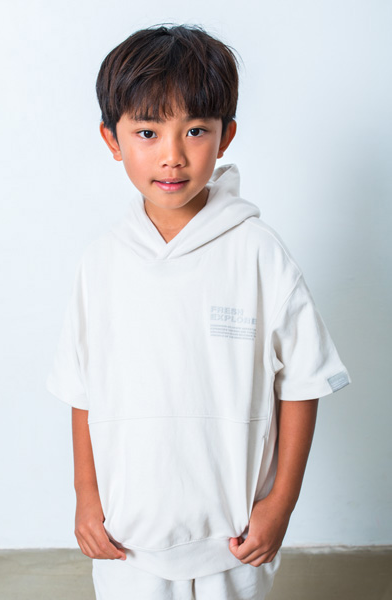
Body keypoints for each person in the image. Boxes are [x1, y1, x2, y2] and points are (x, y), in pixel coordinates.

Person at [46, 24, 351, 600]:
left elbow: (303, 384)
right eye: (147, 132)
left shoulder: (259, 254)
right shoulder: (101, 262)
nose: (173, 155)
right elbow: (82, 390)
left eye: (195, 130)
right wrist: (87, 496)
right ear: (112, 139)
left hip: (233, 539)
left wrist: (280, 504)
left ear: (225, 135)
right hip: (126, 539)